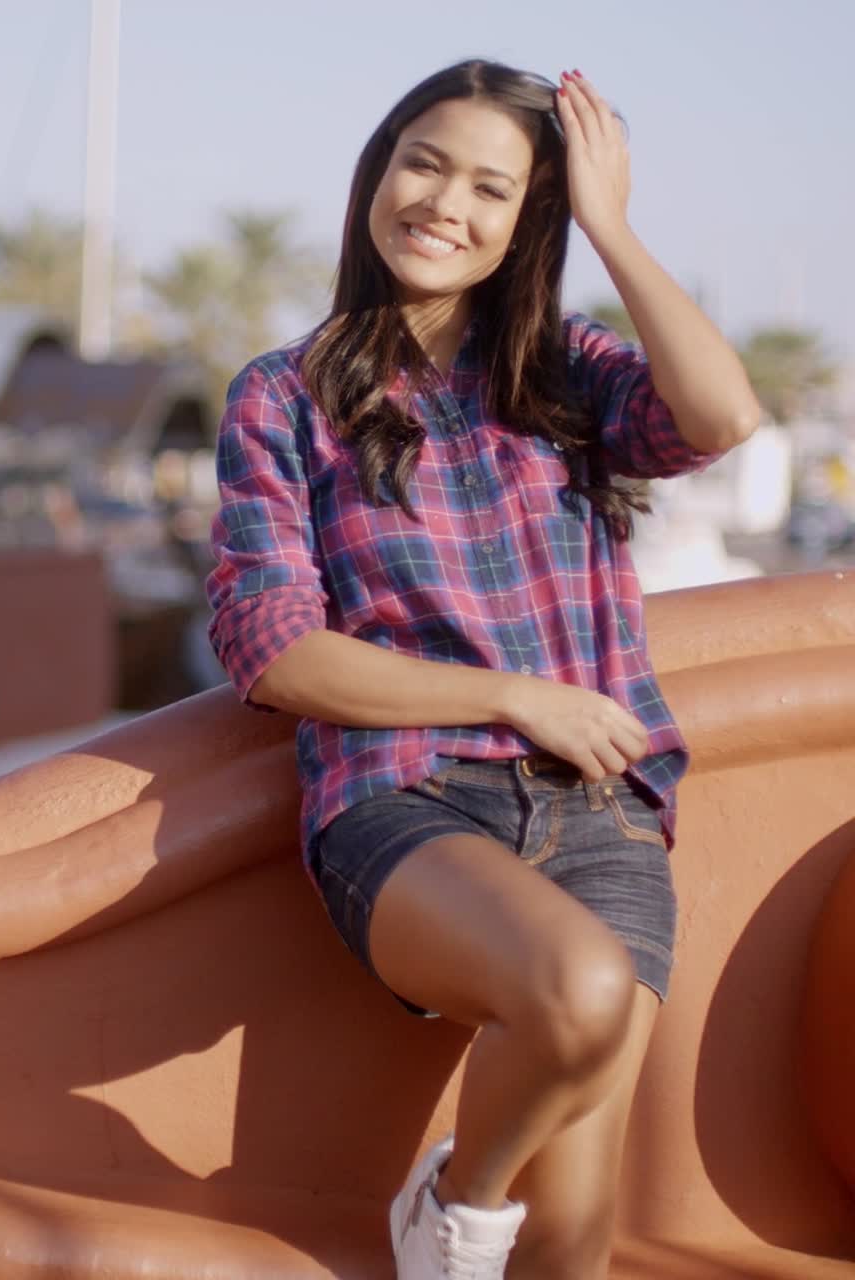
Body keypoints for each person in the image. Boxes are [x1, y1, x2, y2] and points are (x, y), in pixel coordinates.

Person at [205, 60, 760, 1280]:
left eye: (491, 189)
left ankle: (476, 1220)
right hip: (407, 801)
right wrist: (512, 695)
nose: (443, 203)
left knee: (570, 1245)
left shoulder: (565, 374)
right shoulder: (284, 398)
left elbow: (719, 416)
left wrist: (606, 222)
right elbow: (274, 647)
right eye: (423, 162)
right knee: (576, 988)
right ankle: (451, 1205)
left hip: (602, 814)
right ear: (377, 169)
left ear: (526, 225)